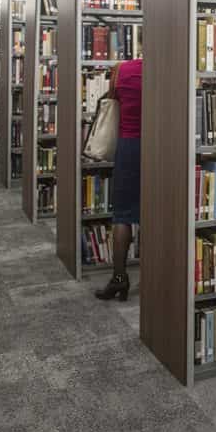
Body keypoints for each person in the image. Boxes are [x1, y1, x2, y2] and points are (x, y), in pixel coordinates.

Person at [94, 58, 142, 302]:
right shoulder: (170, 68)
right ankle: (160, 276)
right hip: (161, 145)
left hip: (129, 145)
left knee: (123, 215)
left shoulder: (121, 69)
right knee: (156, 214)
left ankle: (119, 278)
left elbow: (113, 99)